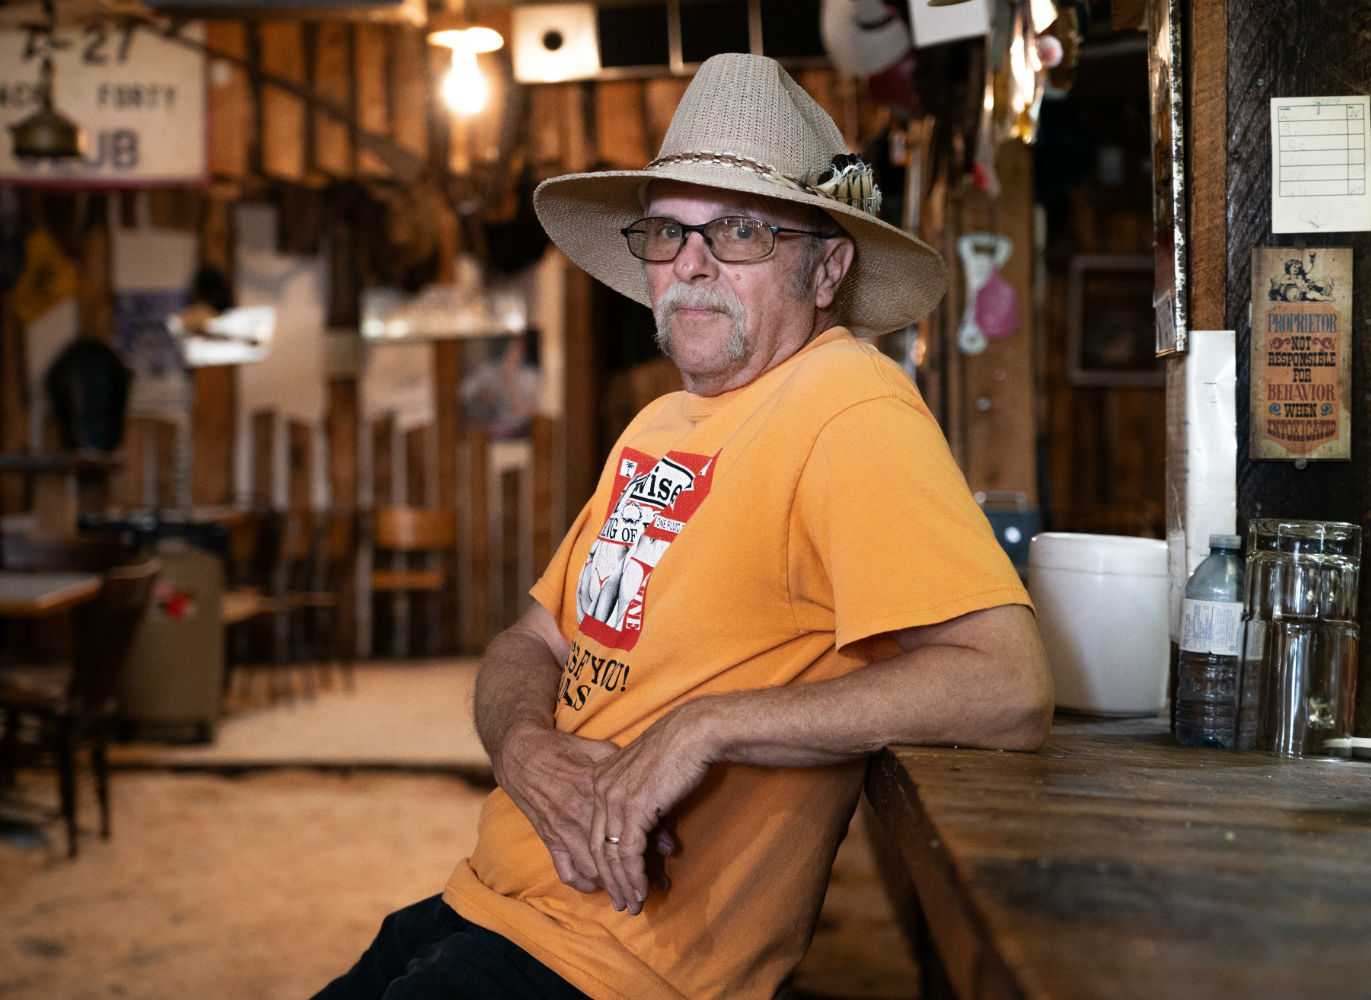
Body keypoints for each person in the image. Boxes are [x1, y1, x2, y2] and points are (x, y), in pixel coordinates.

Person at [314, 52, 1052, 1000]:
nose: (691, 262)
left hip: (609, 964)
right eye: (669, 232)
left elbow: (1010, 684)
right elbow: (528, 641)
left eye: (740, 230)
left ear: (828, 266)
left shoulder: (847, 402)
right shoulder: (659, 424)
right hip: (484, 902)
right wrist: (523, 748)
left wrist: (705, 728)